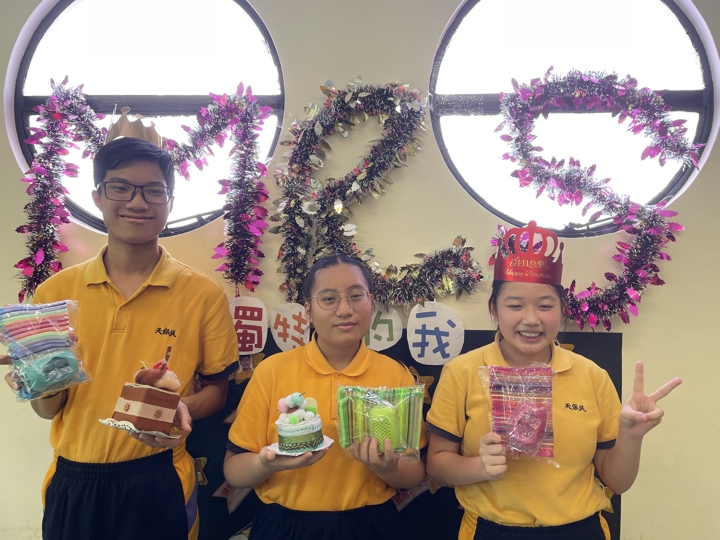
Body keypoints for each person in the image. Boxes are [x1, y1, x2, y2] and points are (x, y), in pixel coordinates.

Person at [2, 137, 238, 540]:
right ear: (97, 196)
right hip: (73, 478)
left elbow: (218, 390)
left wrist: (179, 407)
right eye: (121, 187)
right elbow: (47, 410)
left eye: (153, 191)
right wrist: (38, 379)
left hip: (159, 476)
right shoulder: (55, 293)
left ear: (170, 201)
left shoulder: (203, 294)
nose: (137, 202)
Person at [425, 221, 682, 540]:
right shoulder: (462, 372)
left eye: (545, 306)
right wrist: (479, 466)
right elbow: (436, 464)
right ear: (494, 308)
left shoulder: (592, 376)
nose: (531, 319)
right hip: (491, 529)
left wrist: (631, 436)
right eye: (515, 305)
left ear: (562, 310)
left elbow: (618, 482)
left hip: (581, 530)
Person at [223, 254, 426, 540]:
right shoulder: (272, 371)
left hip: (370, 525)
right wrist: (266, 463)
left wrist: (388, 467)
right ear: (307, 310)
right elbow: (233, 471)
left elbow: (415, 474)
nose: (345, 310)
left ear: (371, 303)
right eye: (328, 299)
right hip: (284, 526)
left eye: (356, 296)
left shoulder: (395, 375)